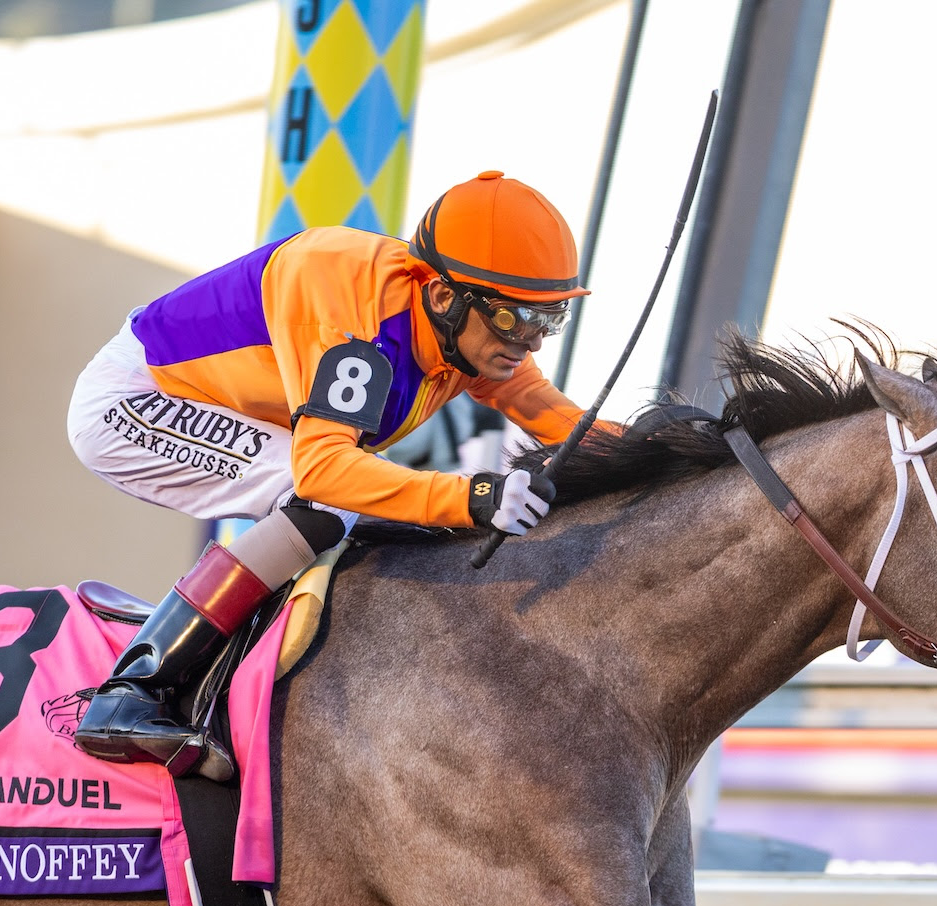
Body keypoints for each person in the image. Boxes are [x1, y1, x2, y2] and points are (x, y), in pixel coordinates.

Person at [66, 170, 589, 780]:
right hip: (134, 400)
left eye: (547, 322)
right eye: (514, 320)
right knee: (326, 503)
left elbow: (552, 414)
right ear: (446, 297)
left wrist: (680, 447)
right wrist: (471, 498)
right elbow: (323, 470)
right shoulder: (357, 317)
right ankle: (131, 691)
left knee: (357, 505)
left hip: (224, 408)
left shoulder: (461, 331)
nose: (530, 344)